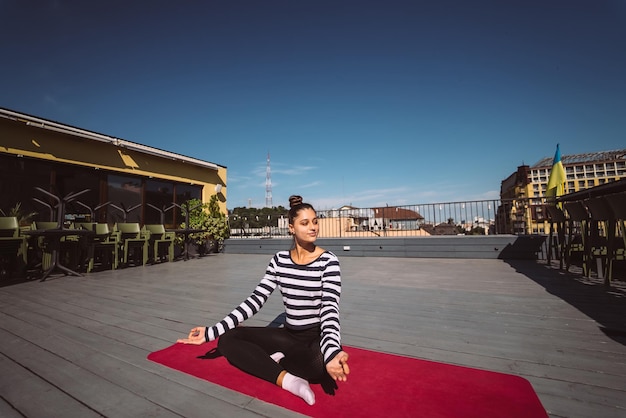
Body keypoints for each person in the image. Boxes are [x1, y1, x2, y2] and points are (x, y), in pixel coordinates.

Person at [178, 195, 350, 405]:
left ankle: (275, 359)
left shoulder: (329, 261)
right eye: (305, 223)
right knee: (227, 339)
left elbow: (330, 309)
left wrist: (332, 351)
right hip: (288, 335)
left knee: (318, 365)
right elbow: (255, 300)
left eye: (315, 221)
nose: (313, 227)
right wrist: (211, 331)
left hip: (315, 338)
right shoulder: (279, 261)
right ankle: (289, 380)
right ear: (291, 228)